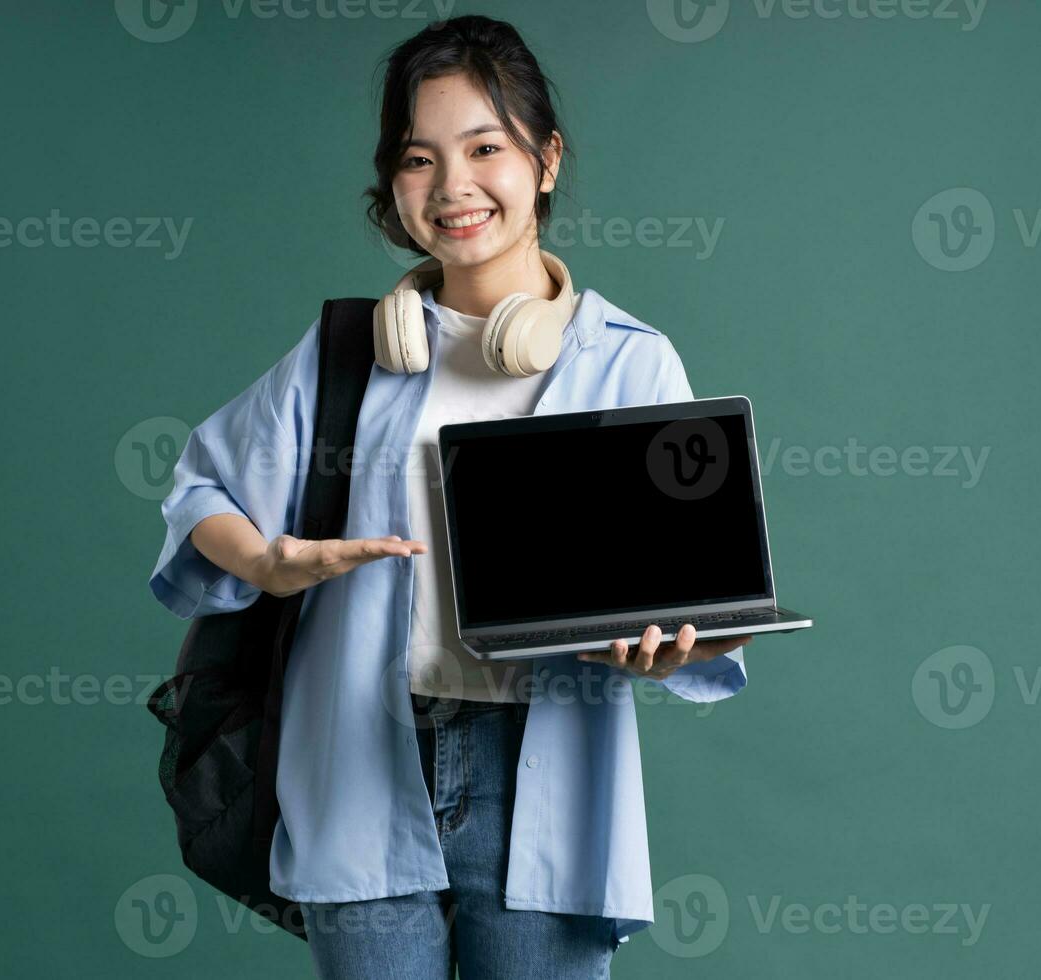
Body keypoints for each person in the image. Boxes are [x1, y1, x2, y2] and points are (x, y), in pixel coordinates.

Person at [148, 14, 752, 979]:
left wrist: (678, 642)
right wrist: (267, 561)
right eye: (419, 159)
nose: (454, 186)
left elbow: (700, 597)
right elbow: (201, 484)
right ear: (393, 183)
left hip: (543, 781)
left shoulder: (633, 364)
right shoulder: (349, 356)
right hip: (355, 762)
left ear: (546, 160)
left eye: (486, 148)